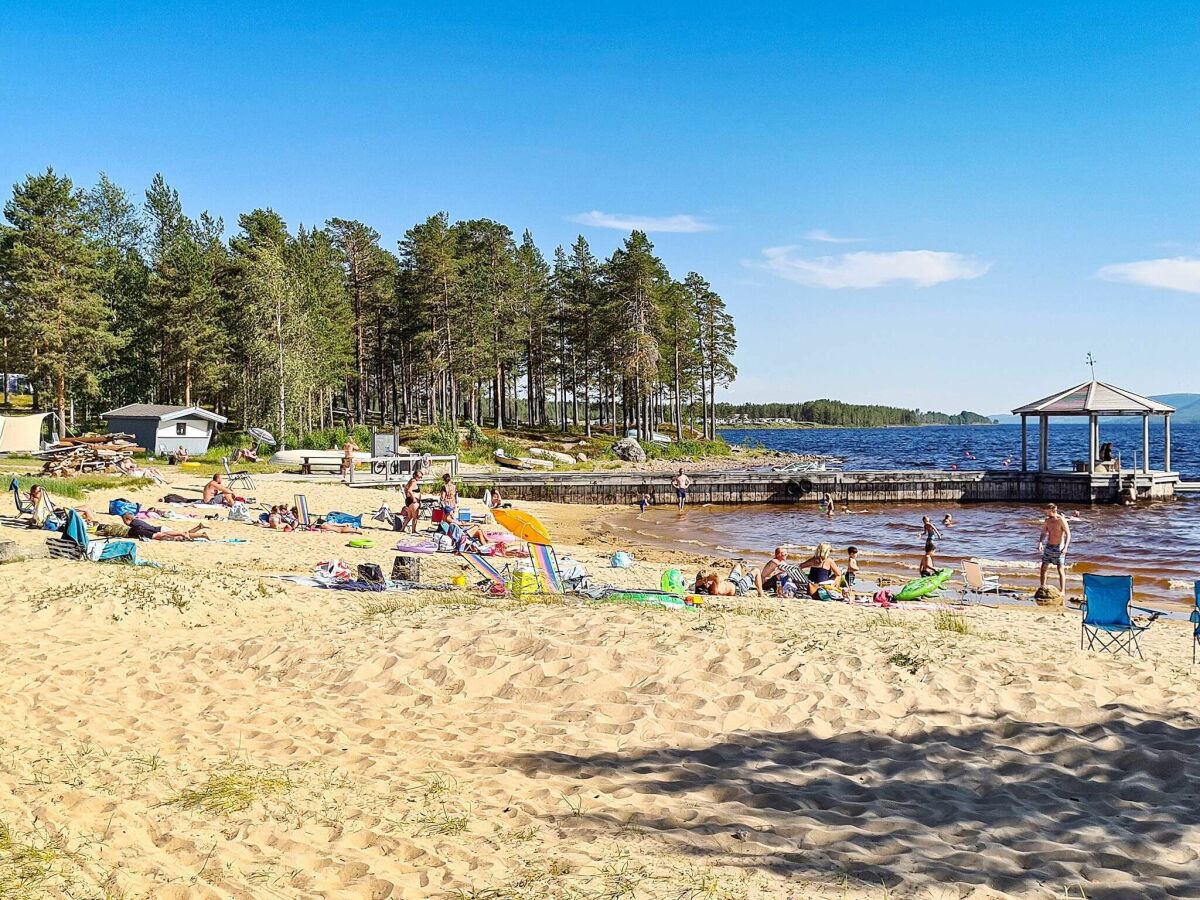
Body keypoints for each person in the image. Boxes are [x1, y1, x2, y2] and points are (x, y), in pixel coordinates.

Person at [1038, 503, 1072, 595]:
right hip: (1049, 546)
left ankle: (1062, 591)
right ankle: (1042, 586)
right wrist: (1040, 542)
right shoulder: (1047, 520)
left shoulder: (1061, 520)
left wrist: (1065, 547)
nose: (1046, 514)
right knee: (1044, 567)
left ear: (1053, 510)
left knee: (1060, 569)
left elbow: (1068, 534)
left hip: (1059, 547)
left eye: (1047, 512)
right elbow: (1043, 532)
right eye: (1046, 512)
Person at [121, 512, 208, 541]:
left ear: (127, 519)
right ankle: (199, 529)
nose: (124, 523)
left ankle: (202, 535)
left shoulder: (135, 525)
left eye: (124, 520)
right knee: (183, 535)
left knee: (182, 536)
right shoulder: (137, 521)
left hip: (161, 531)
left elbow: (148, 531)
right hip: (160, 528)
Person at [694, 563, 764, 597]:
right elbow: (716, 575)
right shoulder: (713, 589)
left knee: (738, 565)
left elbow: (698, 583)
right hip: (739, 588)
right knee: (756, 570)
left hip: (731, 580)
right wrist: (706, 578)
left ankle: (744, 577)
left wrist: (704, 579)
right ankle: (761, 593)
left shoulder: (708, 584)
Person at [400, 467, 423, 534]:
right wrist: (414, 498)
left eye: (421, 477)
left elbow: (406, 489)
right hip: (413, 502)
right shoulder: (414, 481)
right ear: (415, 475)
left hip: (409, 501)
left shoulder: (410, 481)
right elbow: (410, 490)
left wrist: (408, 497)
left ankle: (402, 528)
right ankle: (413, 530)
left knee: (409, 516)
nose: (419, 478)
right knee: (415, 517)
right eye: (419, 477)